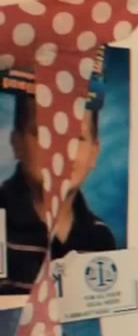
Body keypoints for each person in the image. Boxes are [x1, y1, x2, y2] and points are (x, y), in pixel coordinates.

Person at [3, 89, 115, 298]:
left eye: (77, 137)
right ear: (17, 143)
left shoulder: (100, 237)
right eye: (45, 133)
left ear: (93, 153)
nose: (62, 151)